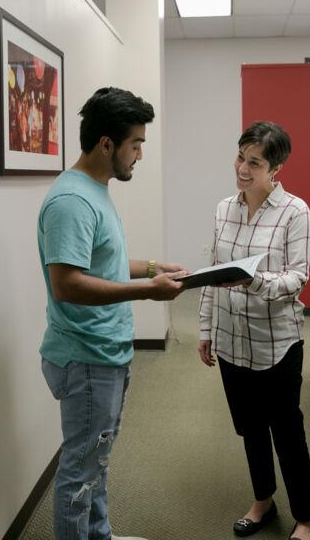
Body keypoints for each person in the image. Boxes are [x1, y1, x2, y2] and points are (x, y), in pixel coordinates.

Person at [38, 87, 188, 540]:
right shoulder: (72, 202)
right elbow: (67, 284)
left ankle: (98, 536)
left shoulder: (95, 190)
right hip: (86, 359)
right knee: (80, 471)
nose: (139, 154)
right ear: (107, 144)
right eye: (135, 144)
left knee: (95, 461)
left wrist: (151, 267)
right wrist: (147, 290)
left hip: (105, 354)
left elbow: (98, 264)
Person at [198, 121, 310, 540]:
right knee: (250, 429)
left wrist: (254, 281)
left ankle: (304, 517)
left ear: (276, 168)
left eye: (255, 162)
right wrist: (205, 328)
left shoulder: (295, 212)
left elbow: (298, 278)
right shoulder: (223, 208)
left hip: (276, 344)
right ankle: (263, 501)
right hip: (232, 342)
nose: (243, 169)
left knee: (287, 434)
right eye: (240, 157)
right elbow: (213, 273)